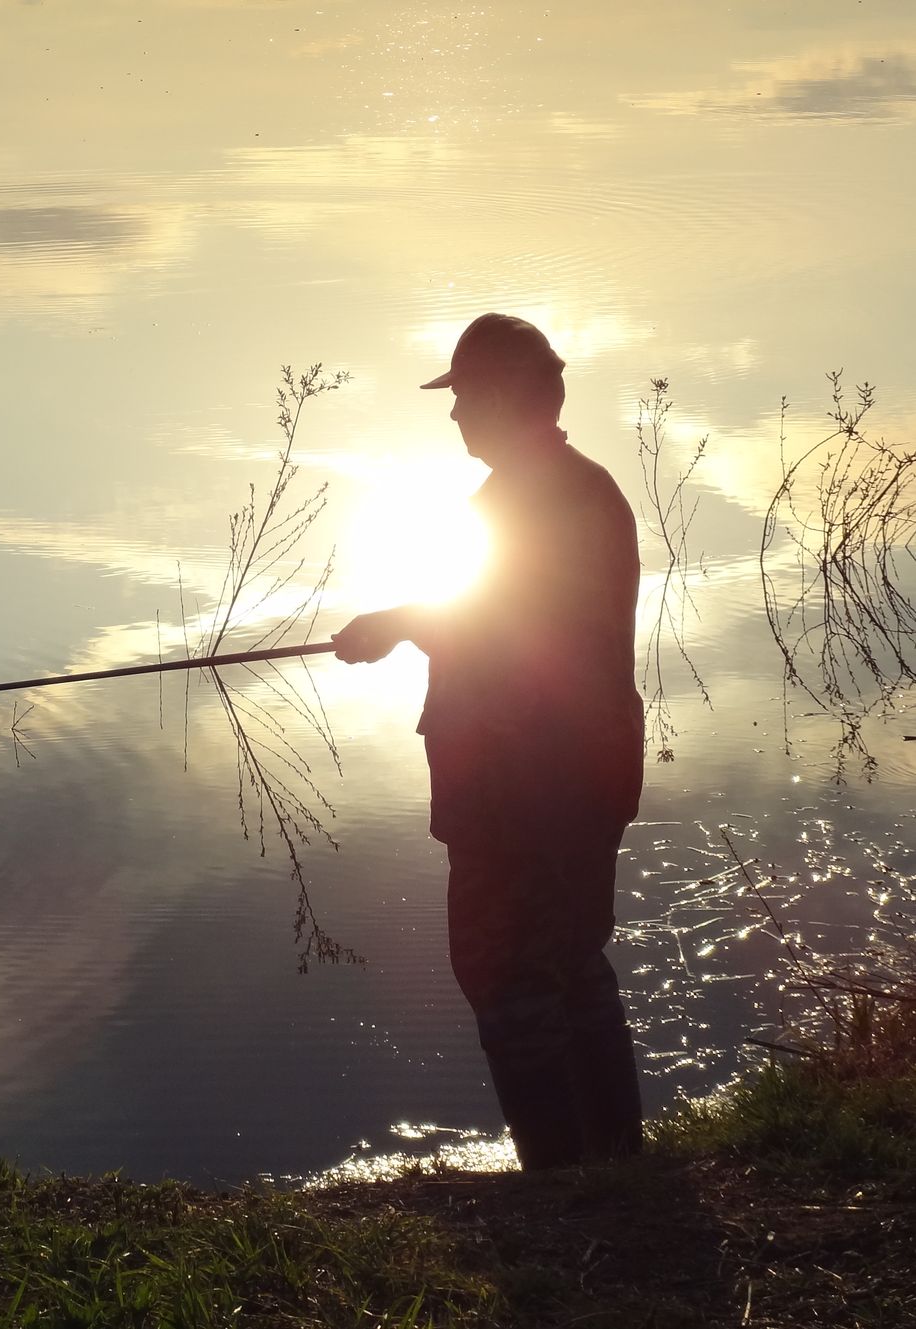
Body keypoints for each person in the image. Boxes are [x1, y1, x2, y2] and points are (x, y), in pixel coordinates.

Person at [328, 313, 646, 1170]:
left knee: (509, 982)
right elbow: (509, 626)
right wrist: (406, 626)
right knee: (572, 965)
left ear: (504, 395)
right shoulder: (573, 488)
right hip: (572, 780)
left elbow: (513, 635)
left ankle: (563, 1183)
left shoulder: (532, 500)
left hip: (527, 792)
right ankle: (615, 1166)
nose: (456, 413)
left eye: (464, 394)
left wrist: (396, 623)